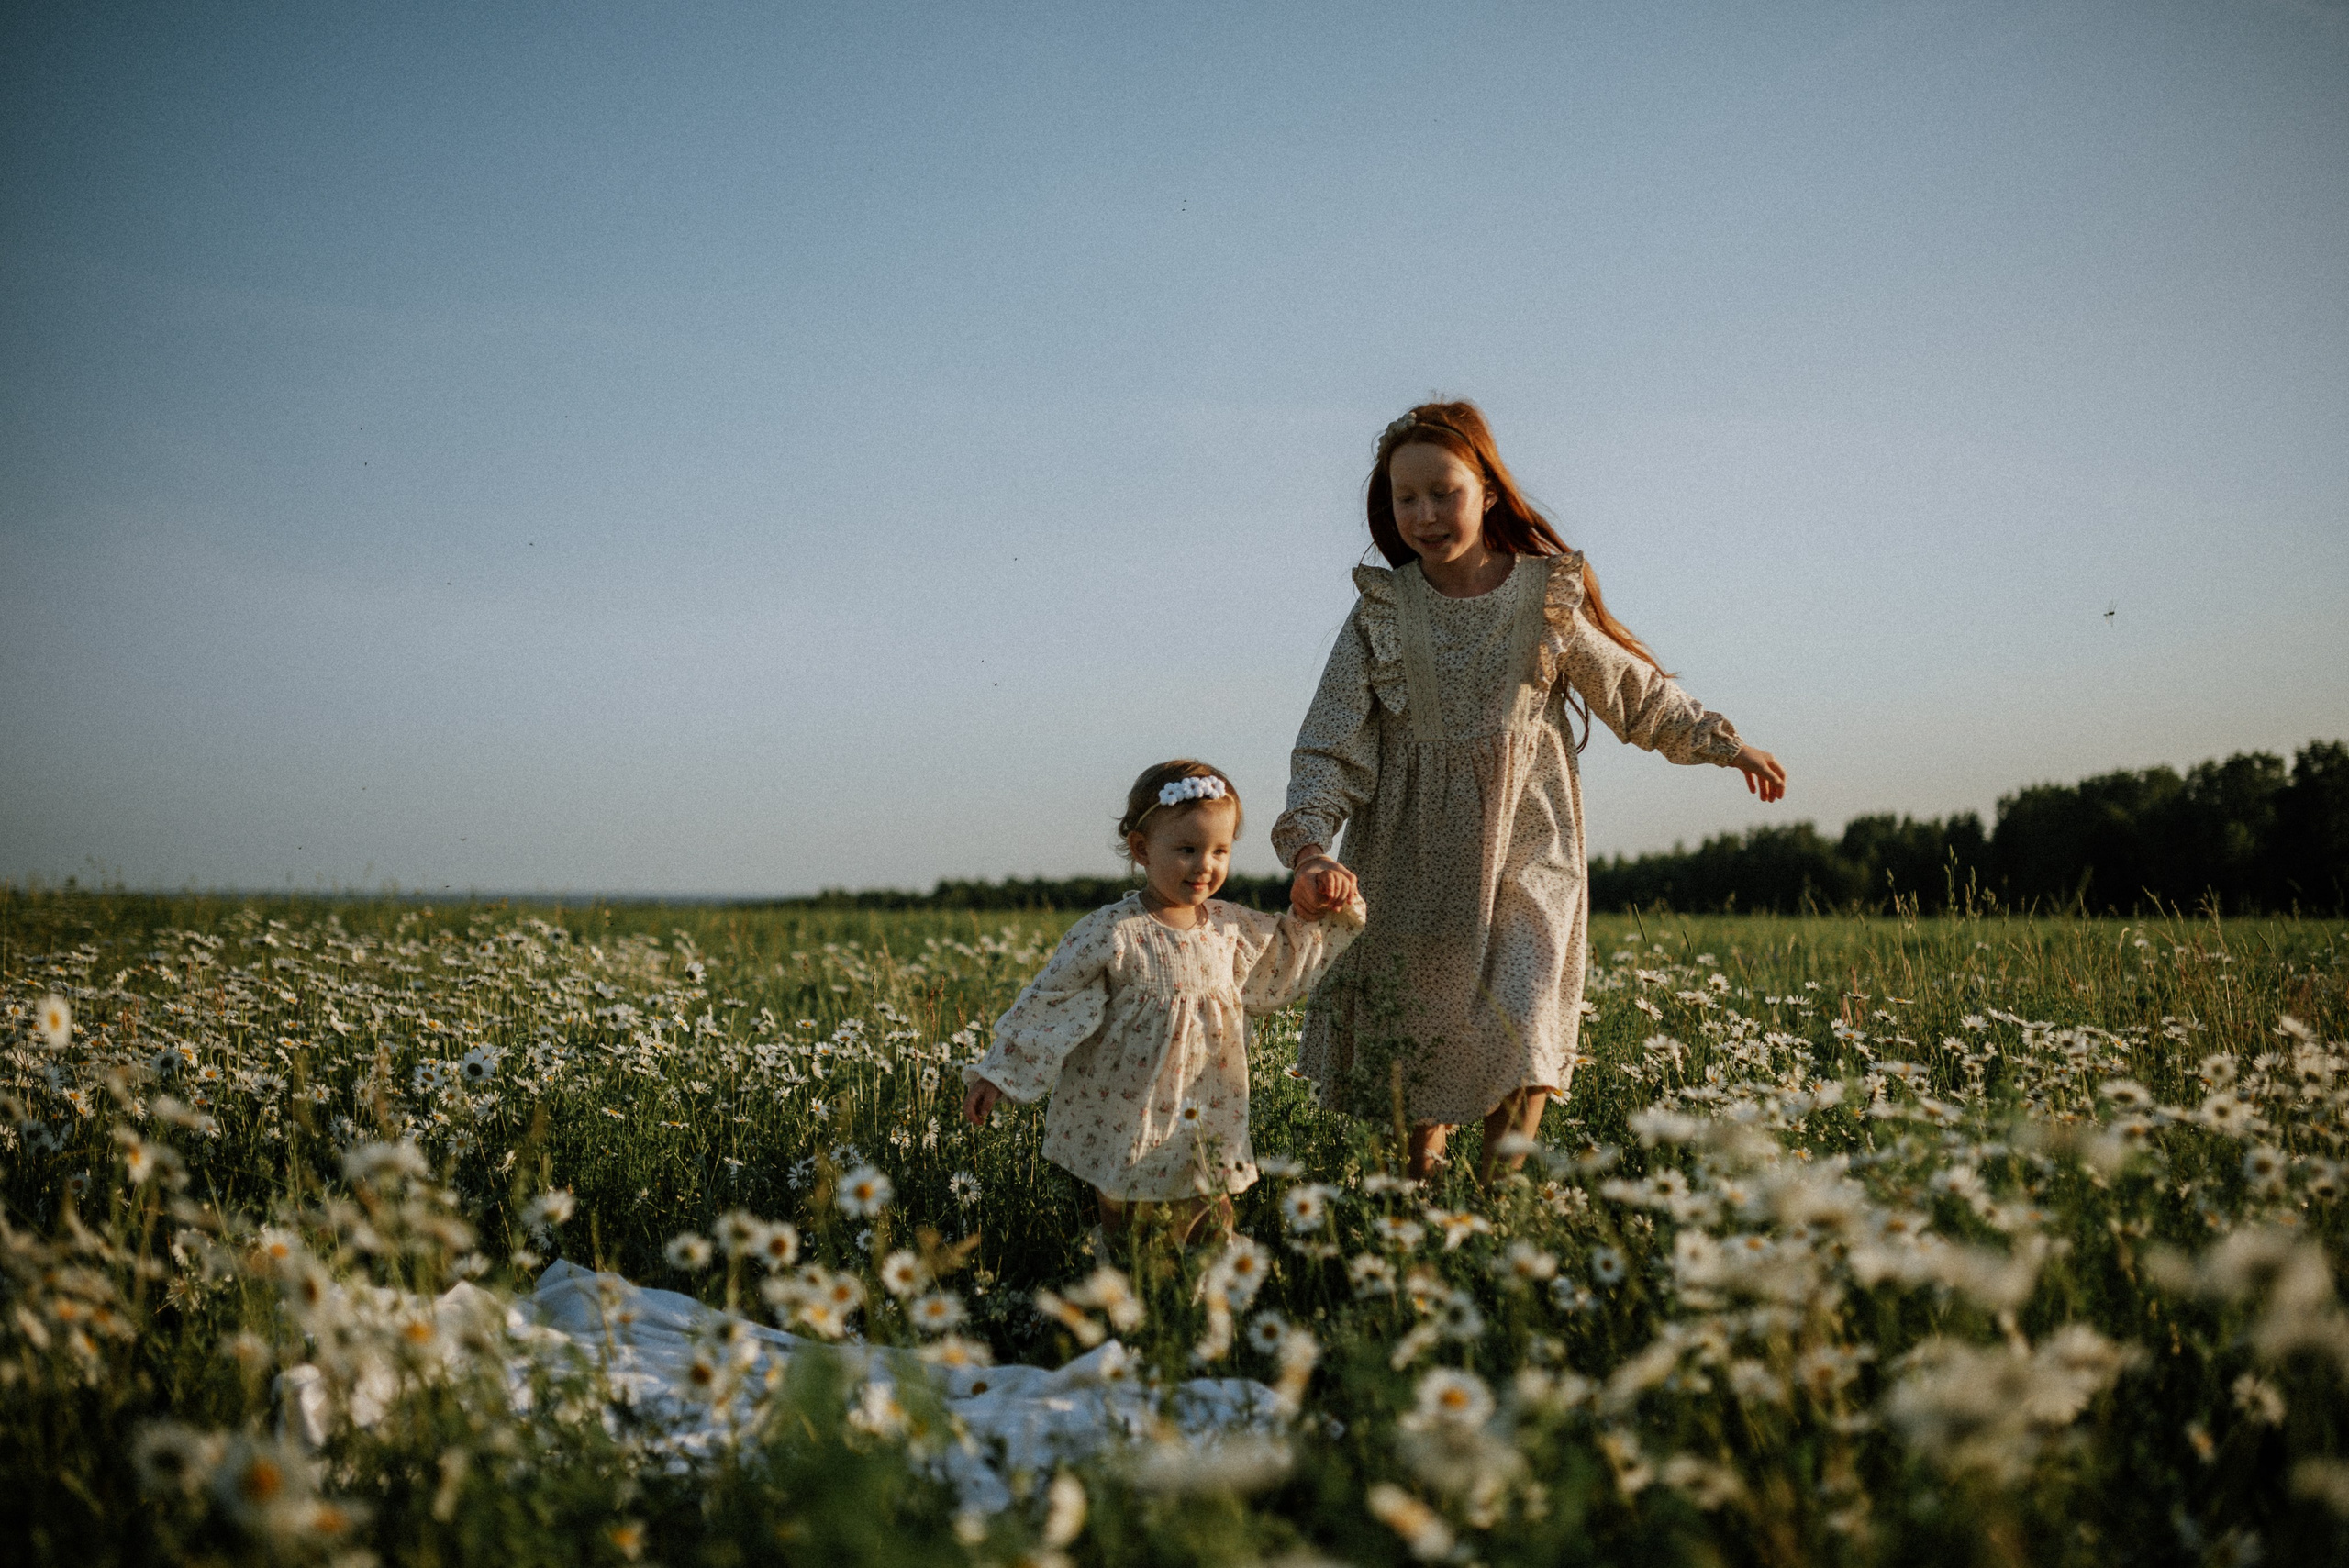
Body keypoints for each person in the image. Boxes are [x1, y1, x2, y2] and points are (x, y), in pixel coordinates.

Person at [1276, 401, 1786, 1185]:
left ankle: (1499, 1193)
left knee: (1532, 1004)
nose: (1423, 514)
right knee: (1424, 1023)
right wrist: (1310, 842)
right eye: (1403, 498)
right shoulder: (1384, 611)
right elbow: (1330, 739)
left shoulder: (1545, 596)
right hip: (1413, 857)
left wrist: (1723, 743)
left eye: (1442, 492)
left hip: (1531, 843)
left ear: (1486, 490)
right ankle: (1423, 1185)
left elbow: (1632, 689)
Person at [962, 760, 1367, 1246]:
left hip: (1206, 1106)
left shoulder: (1230, 929)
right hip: (1125, 1111)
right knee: (1125, 1221)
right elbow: (1050, 1002)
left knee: (1211, 1218)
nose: (1205, 865)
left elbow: (1287, 955)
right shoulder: (1111, 932)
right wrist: (998, 1072)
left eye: (1220, 850)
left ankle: (1210, 1306)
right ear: (1141, 850)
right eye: (1187, 849)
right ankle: (1127, 1304)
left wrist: (1323, 905)